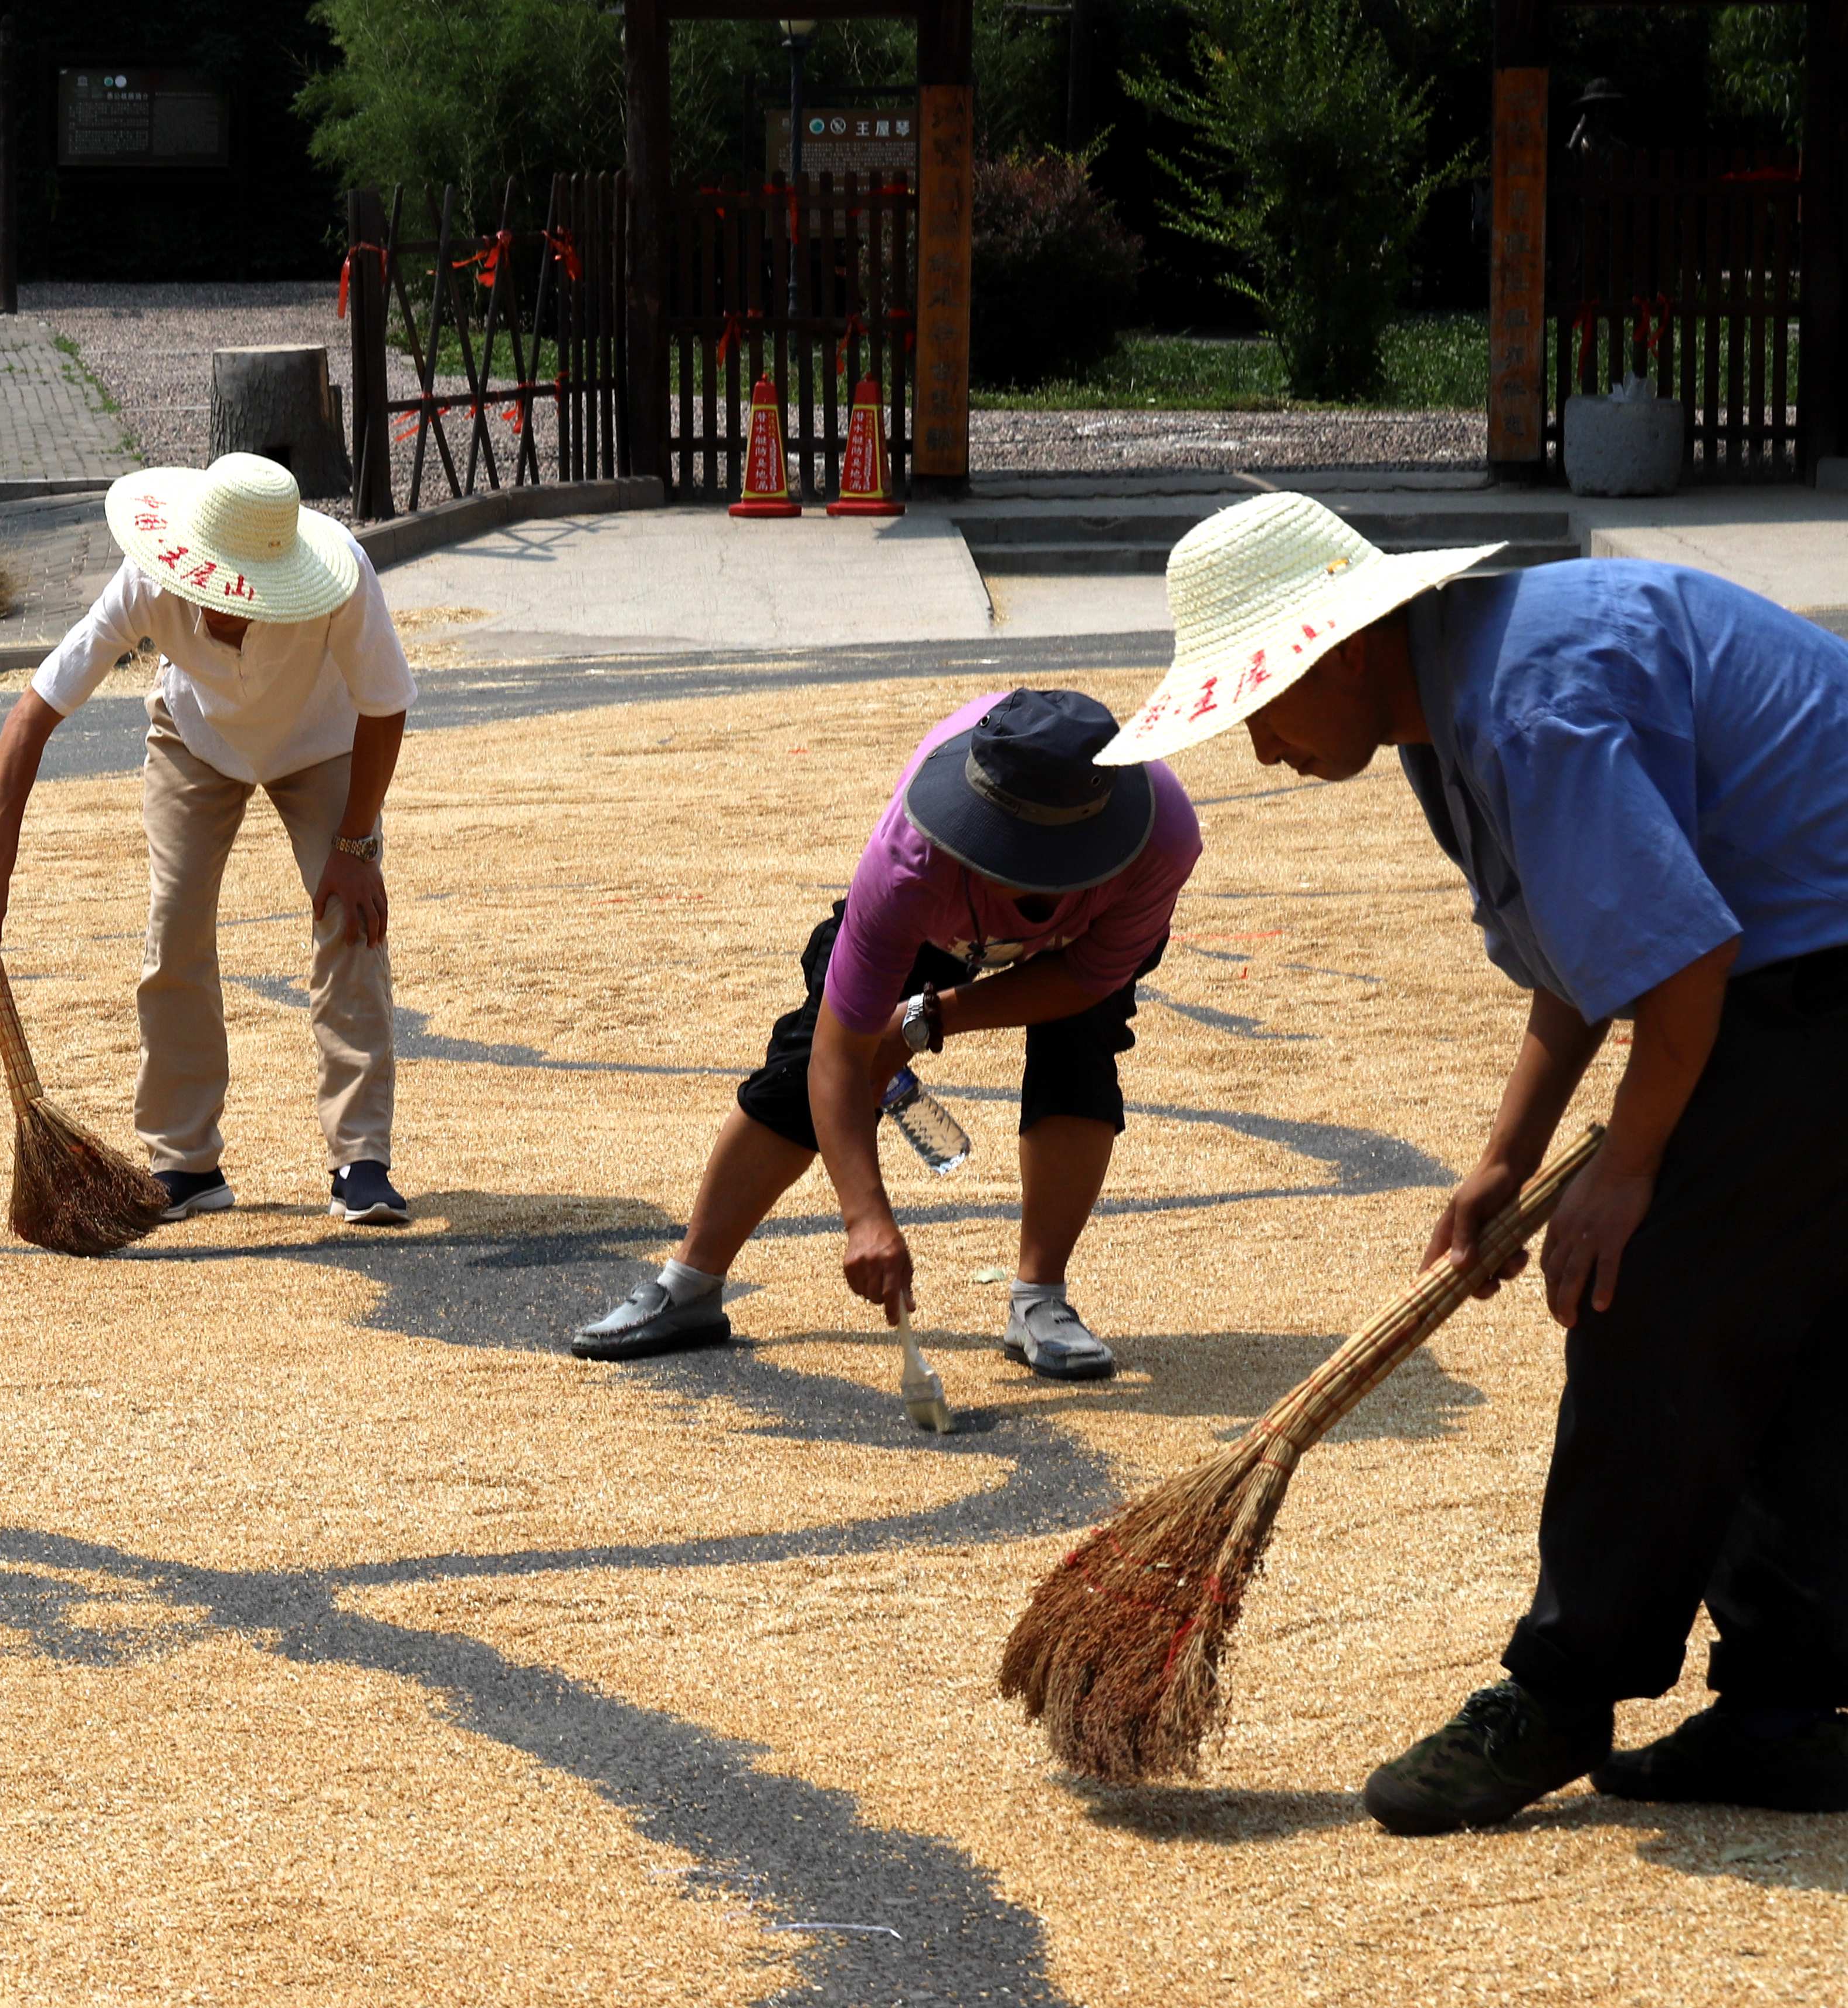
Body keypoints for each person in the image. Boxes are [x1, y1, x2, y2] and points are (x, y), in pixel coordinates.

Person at [1107, 494, 1848, 1832]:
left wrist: (1623, 1173)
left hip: (1814, 973)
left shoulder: (1523, 703)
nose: (1262, 751)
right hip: (1790, 962)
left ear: (1332, 653)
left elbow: (1680, 965)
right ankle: (1788, 1714)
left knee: (1654, 1309)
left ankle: (1559, 1690)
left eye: (1260, 709)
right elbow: (1588, 951)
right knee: (1782, 1337)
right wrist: (1504, 1157)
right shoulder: (1452, 703)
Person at [568, 689, 1200, 1374]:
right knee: (803, 1056)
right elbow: (839, 1056)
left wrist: (930, 1018)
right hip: (937, 917)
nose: (1023, 875)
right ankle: (690, 1283)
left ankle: (1039, 1300)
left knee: (1080, 1051)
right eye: (1005, 853)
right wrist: (865, 1217)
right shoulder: (912, 857)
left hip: (1080, 953)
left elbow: (1085, 979)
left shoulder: (1159, 838)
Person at [0, 452, 419, 1224]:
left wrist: (356, 844)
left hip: (326, 742)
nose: (225, 608)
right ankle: (186, 1162)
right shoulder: (148, 579)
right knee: (175, 924)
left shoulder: (342, 575)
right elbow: (33, 715)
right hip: (193, 738)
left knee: (349, 919)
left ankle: (360, 1159)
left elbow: (386, 704)